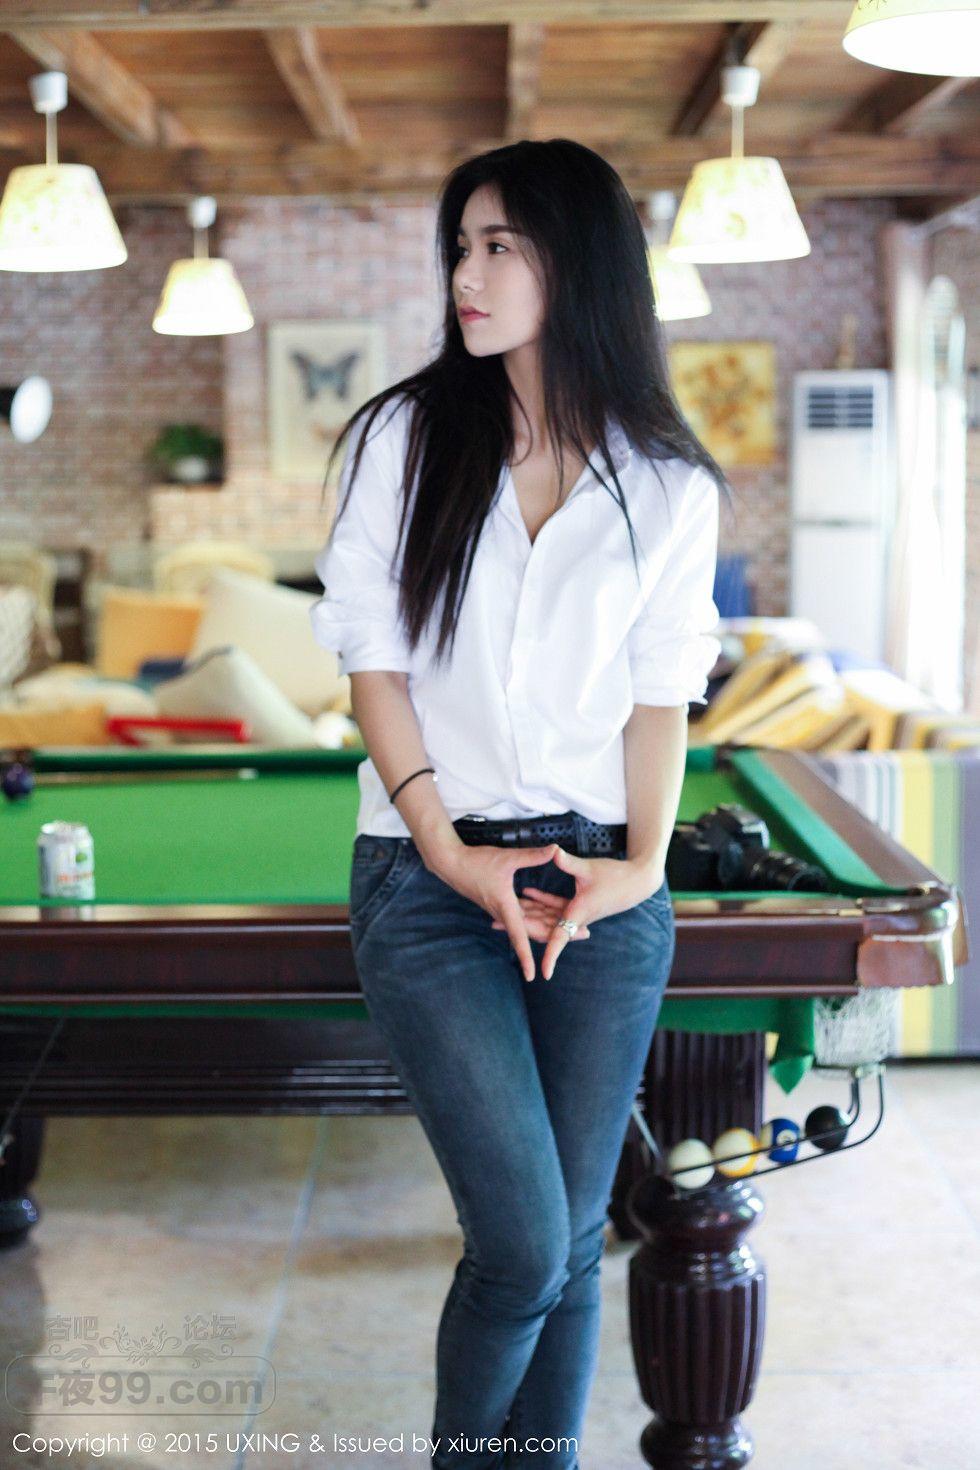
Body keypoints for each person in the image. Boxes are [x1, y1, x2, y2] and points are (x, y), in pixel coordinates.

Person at [310, 138, 727, 1470]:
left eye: (499, 245)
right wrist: (445, 848)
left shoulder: (669, 484)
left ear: (579, 262)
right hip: (427, 879)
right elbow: (374, 665)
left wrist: (643, 865)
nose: (466, 273)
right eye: (461, 245)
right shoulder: (399, 439)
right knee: (527, 1243)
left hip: (599, 885)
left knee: (576, 1241)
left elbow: (660, 699)